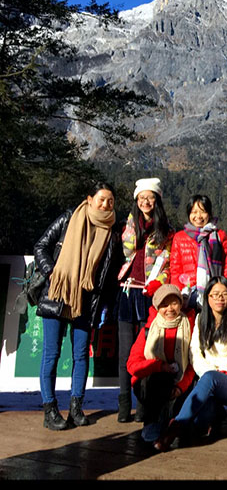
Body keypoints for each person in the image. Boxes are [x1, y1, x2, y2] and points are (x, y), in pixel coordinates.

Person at [33, 182, 119, 431]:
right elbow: (41, 246)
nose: (105, 204)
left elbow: (109, 272)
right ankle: (50, 410)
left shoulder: (112, 232)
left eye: (110, 201)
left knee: (81, 355)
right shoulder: (69, 218)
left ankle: (76, 407)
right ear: (90, 199)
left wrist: (104, 304)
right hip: (58, 294)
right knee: (51, 354)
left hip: (88, 300)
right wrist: (52, 273)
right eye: (101, 199)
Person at [154, 276, 227, 451]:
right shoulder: (201, 319)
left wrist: (221, 373)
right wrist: (211, 372)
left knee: (209, 380)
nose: (219, 298)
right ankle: (216, 415)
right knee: (200, 423)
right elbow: (194, 352)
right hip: (209, 380)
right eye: (215, 294)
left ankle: (173, 428)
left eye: (224, 294)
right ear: (207, 297)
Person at [116, 177, 173, 423]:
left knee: (146, 352)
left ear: (157, 200)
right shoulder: (128, 226)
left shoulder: (166, 231)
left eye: (150, 197)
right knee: (124, 352)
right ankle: (123, 404)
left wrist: (157, 284)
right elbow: (123, 253)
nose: (146, 202)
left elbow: (167, 264)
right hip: (127, 292)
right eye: (141, 198)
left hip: (148, 295)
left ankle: (142, 404)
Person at [126, 283, 197, 446]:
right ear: (157, 307)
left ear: (180, 304)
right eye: (164, 305)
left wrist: (180, 387)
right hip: (151, 385)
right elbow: (132, 365)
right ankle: (153, 424)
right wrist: (159, 366)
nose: (170, 309)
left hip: (180, 382)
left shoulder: (190, 327)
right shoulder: (149, 330)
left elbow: (193, 364)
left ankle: (171, 426)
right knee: (161, 378)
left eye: (174, 303)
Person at [170, 194, 227, 310]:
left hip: (214, 293)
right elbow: (175, 270)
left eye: (203, 212)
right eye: (194, 212)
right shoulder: (179, 237)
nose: (198, 216)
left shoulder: (219, 236)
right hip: (187, 294)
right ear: (189, 214)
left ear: (209, 213)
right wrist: (176, 296)